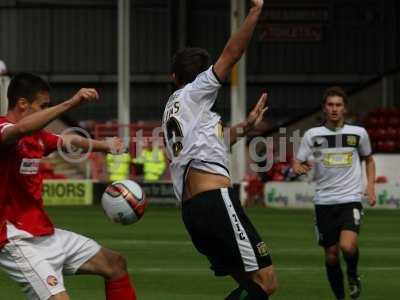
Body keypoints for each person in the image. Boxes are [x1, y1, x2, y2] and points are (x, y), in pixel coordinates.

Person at [162, 1, 278, 299]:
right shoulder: (196, 91)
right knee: (266, 282)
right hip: (216, 201)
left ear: (172, 77)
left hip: (193, 212)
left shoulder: (176, 109)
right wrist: (254, 12)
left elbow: (213, 144)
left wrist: (246, 126)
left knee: (250, 286)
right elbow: (232, 54)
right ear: (201, 76)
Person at [0, 73, 137, 300]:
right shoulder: (4, 129)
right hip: (15, 239)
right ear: (22, 104)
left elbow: (69, 141)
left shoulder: (39, 137)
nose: (46, 110)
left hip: (44, 233)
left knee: (114, 264)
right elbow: (19, 130)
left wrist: (105, 145)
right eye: (43, 106)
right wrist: (71, 103)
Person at [293, 86, 376, 300]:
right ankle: (340, 296)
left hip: (350, 199)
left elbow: (369, 159)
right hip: (324, 202)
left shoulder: (358, 133)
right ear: (324, 108)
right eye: (330, 105)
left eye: (338, 105)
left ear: (345, 108)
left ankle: (352, 274)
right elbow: (297, 161)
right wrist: (298, 167)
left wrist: (371, 186)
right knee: (331, 256)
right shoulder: (313, 135)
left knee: (347, 246)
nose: (334, 109)